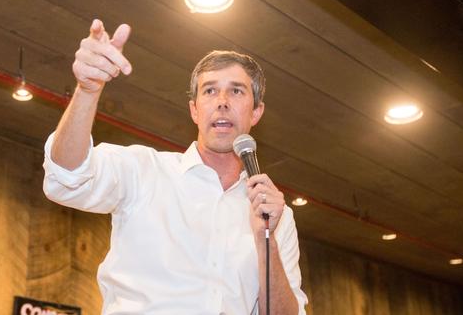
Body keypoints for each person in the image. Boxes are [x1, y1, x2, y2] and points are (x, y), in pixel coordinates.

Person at [43, 19, 308, 314]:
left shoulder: (275, 215)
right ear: (194, 110)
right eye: (209, 91)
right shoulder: (144, 171)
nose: (221, 102)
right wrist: (87, 90)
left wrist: (266, 240)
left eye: (236, 91)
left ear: (256, 112)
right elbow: (67, 176)